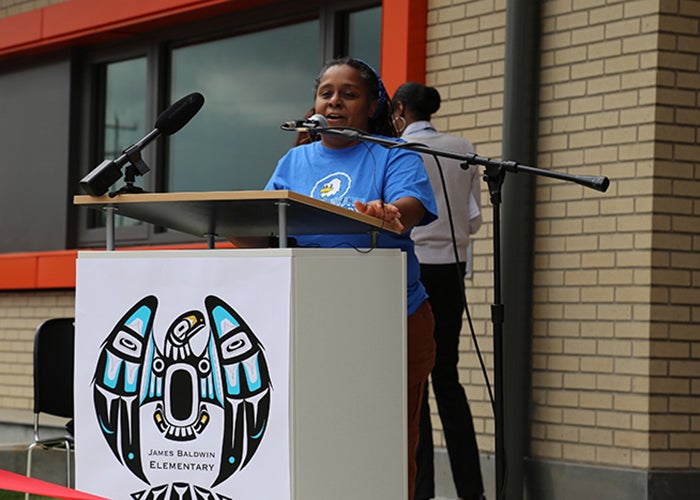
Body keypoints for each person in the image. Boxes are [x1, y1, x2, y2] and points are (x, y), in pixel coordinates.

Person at [265, 58, 438, 499]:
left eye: (349, 93)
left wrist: (391, 212)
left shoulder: (393, 154)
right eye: (326, 92)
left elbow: (408, 210)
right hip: (315, 320)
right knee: (320, 436)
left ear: (373, 104)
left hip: (390, 319)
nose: (335, 101)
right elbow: (262, 227)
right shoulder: (294, 159)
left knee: (388, 441)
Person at [392, 82, 485, 500]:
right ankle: (472, 490)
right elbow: (475, 218)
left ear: (399, 111)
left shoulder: (396, 149)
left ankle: (422, 490)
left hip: (412, 268)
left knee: (416, 378)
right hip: (453, 268)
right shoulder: (463, 146)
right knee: (447, 375)